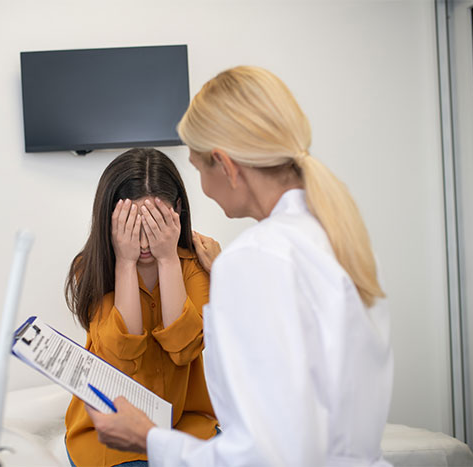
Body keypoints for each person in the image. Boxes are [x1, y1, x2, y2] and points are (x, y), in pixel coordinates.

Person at [85, 66, 394, 466]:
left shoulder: (254, 259)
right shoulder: (343, 237)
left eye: (198, 169)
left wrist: (149, 440)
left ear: (226, 166)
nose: (203, 189)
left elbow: (263, 453)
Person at [64, 147, 218, 467]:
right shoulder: (91, 268)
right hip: (106, 433)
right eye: (133, 224)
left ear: (177, 211)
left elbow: (183, 350)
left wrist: (168, 259)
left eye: (155, 223)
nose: (145, 241)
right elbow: (122, 359)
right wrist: (125, 262)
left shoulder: (198, 263)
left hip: (183, 425)